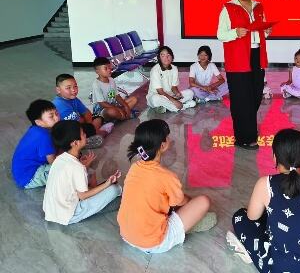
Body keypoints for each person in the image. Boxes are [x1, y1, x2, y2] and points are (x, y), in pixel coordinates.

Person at [227, 128, 300, 272]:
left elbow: (252, 216)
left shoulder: (265, 184)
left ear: (275, 157)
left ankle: (252, 253)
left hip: (282, 268)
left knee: (240, 217)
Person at [117, 119, 216, 253]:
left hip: (126, 235)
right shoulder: (167, 176)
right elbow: (179, 202)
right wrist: (190, 203)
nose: (170, 139)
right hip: (154, 242)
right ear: (162, 145)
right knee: (203, 201)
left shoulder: (135, 167)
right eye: (167, 137)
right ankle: (190, 226)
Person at [217, 0, 271, 150]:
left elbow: (262, 27)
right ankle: (244, 138)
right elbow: (220, 34)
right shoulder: (228, 8)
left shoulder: (258, 6)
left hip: (256, 55)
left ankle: (247, 130)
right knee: (241, 99)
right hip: (237, 58)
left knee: (255, 95)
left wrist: (267, 31)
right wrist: (234, 33)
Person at [43, 120, 122, 225]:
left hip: (51, 210)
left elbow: (71, 175)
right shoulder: (77, 167)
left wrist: (84, 166)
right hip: (68, 215)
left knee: (92, 177)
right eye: (83, 134)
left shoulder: (59, 159)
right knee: (115, 190)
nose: (86, 135)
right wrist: (107, 184)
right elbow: (83, 196)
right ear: (75, 143)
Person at [11, 100, 59, 189]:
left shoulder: (36, 129)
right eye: (51, 116)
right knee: (67, 170)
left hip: (22, 173)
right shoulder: (44, 136)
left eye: (56, 113)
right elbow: (54, 163)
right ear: (39, 122)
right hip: (29, 177)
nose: (57, 118)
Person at [53, 73, 105, 149]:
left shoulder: (73, 98)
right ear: (58, 90)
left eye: (75, 86)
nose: (73, 90)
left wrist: (90, 126)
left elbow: (86, 112)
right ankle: (81, 143)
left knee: (99, 118)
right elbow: (76, 124)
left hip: (77, 127)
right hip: (67, 135)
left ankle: (87, 137)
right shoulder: (60, 104)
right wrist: (90, 127)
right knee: (100, 135)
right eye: (68, 88)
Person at [91, 57, 138, 129]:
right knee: (112, 111)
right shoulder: (96, 84)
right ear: (97, 71)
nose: (109, 70)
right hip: (103, 110)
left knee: (134, 99)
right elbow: (102, 103)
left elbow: (117, 96)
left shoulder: (111, 80)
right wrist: (118, 109)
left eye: (110, 68)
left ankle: (119, 116)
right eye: (105, 68)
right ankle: (123, 116)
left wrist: (125, 106)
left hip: (113, 105)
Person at [146, 46, 196, 113]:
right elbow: (160, 91)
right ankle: (184, 106)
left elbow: (173, 87)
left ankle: (167, 107)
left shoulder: (174, 68)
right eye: (163, 55)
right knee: (155, 99)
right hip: (158, 95)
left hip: (171, 95)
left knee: (190, 92)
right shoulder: (155, 70)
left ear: (172, 57)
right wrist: (174, 101)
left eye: (168, 55)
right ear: (159, 58)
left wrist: (177, 94)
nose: (166, 58)